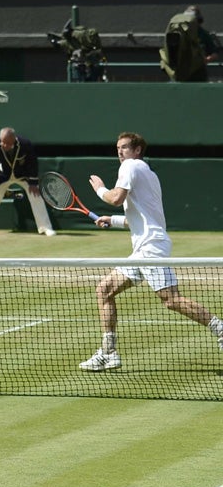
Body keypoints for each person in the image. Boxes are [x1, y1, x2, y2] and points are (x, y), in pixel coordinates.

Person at [81, 132, 223, 371]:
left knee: (171, 300)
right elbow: (140, 218)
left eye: (125, 147)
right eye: (118, 148)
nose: (120, 152)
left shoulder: (131, 166)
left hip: (150, 248)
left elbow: (115, 198)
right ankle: (109, 352)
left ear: (137, 150)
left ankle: (220, 329)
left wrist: (99, 189)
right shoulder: (147, 173)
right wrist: (113, 221)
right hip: (143, 248)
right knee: (104, 290)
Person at [0, 127, 57, 237]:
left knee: (36, 196)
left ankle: (46, 228)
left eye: (6, 143)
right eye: (2, 141)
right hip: (3, 176)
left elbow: (33, 163)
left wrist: (33, 183)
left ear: (14, 139)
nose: (3, 145)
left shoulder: (25, 144)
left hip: (23, 176)